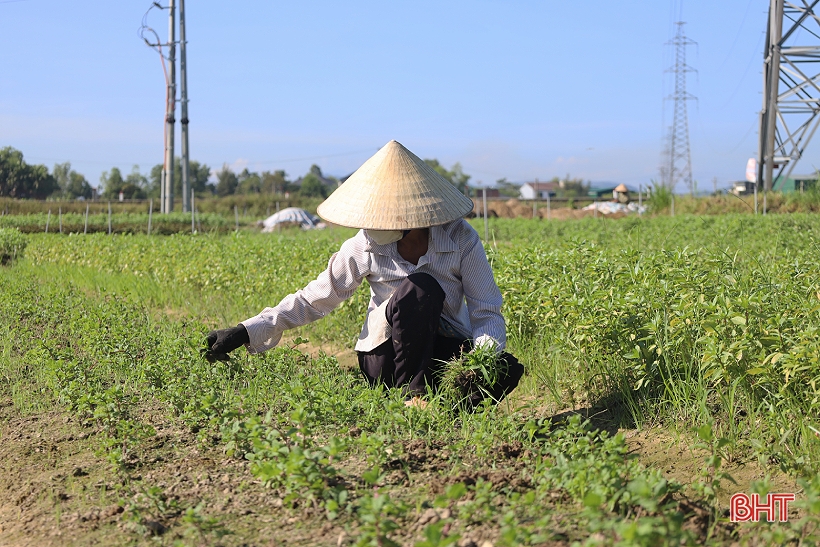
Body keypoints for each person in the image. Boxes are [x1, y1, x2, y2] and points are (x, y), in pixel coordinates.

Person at [205, 140, 524, 408]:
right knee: (421, 288)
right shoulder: (365, 244)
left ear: (410, 218)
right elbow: (315, 299)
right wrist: (245, 331)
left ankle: (449, 409)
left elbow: (486, 312)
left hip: (441, 348)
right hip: (386, 358)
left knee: (504, 367)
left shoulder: (460, 239)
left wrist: (481, 362)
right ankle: (410, 397)